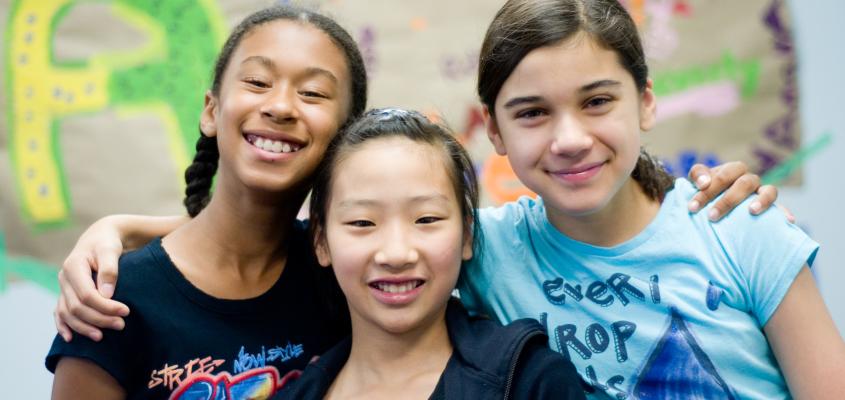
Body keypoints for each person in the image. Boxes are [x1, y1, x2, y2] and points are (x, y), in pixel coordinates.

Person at [456, 0, 845, 398]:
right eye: (533, 112)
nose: (570, 141)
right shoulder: (477, 250)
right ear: (494, 129)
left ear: (645, 102)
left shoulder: (738, 226)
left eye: (596, 102)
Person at [45, 6, 367, 399]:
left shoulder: (347, 277)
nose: (280, 106)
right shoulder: (112, 297)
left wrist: (120, 225)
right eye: (257, 81)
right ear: (211, 111)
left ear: (348, 133)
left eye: (313, 93)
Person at [278, 108, 585, 399]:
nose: (397, 254)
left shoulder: (530, 381)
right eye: (362, 222)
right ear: (321, 240)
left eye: (426, 219)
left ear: (467, 234)